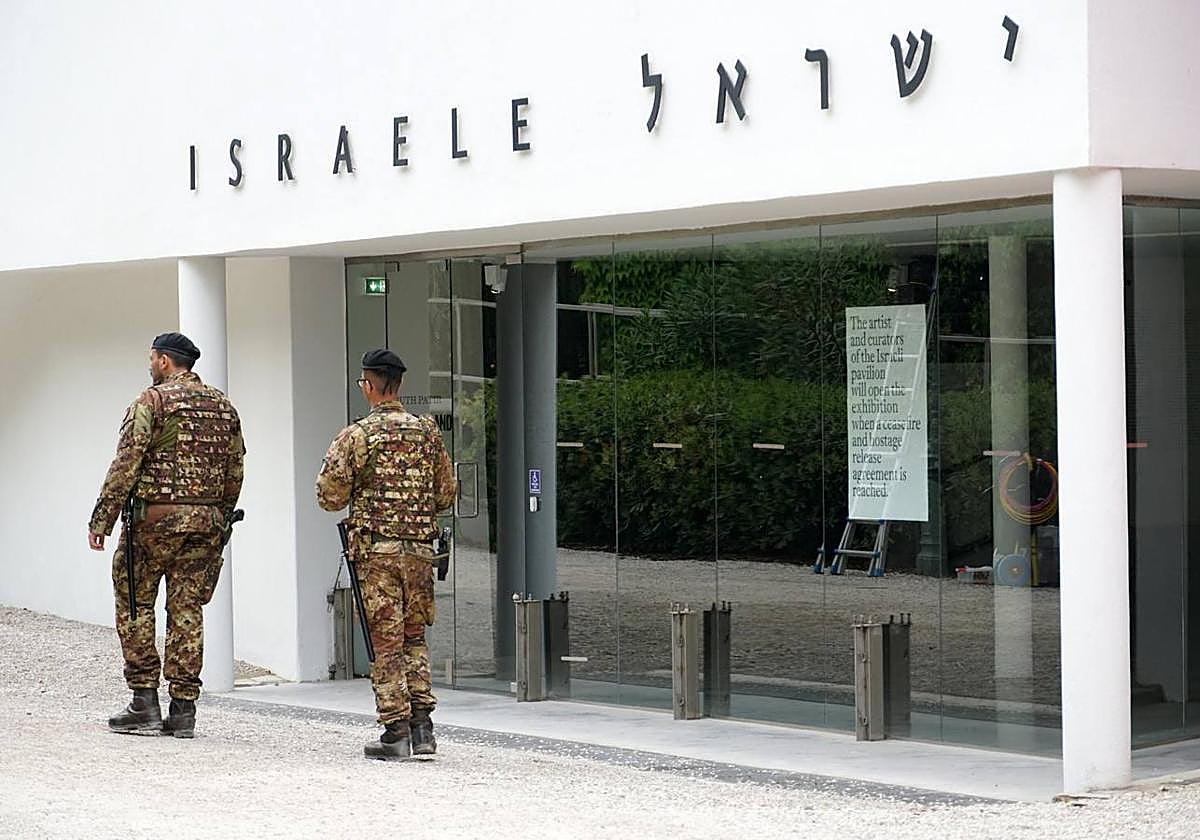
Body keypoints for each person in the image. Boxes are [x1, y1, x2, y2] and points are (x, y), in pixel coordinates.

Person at [88, 332, 245, 738]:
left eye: (152, 357)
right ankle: (184, 709)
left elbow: (127, 462)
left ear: (162, 361)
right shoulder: (223, 407)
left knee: (137, 604)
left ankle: (144, 701)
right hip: (205, 528)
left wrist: (101, 519)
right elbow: (235, 472)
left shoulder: (151, 402)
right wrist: (220, 520)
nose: (151, 363)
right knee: (187, 611)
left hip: (152, 526)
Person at [316, 349, 455, 760]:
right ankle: (423, 728)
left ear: (371, 385)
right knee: (414, 637)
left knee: (386, 642)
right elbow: (446, 494)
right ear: (399, 383)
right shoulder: (428, 434)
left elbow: (327, 496)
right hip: (418, 553)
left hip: (376, 554)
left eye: (363, 382)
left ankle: (395, 729)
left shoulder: (357, 436)